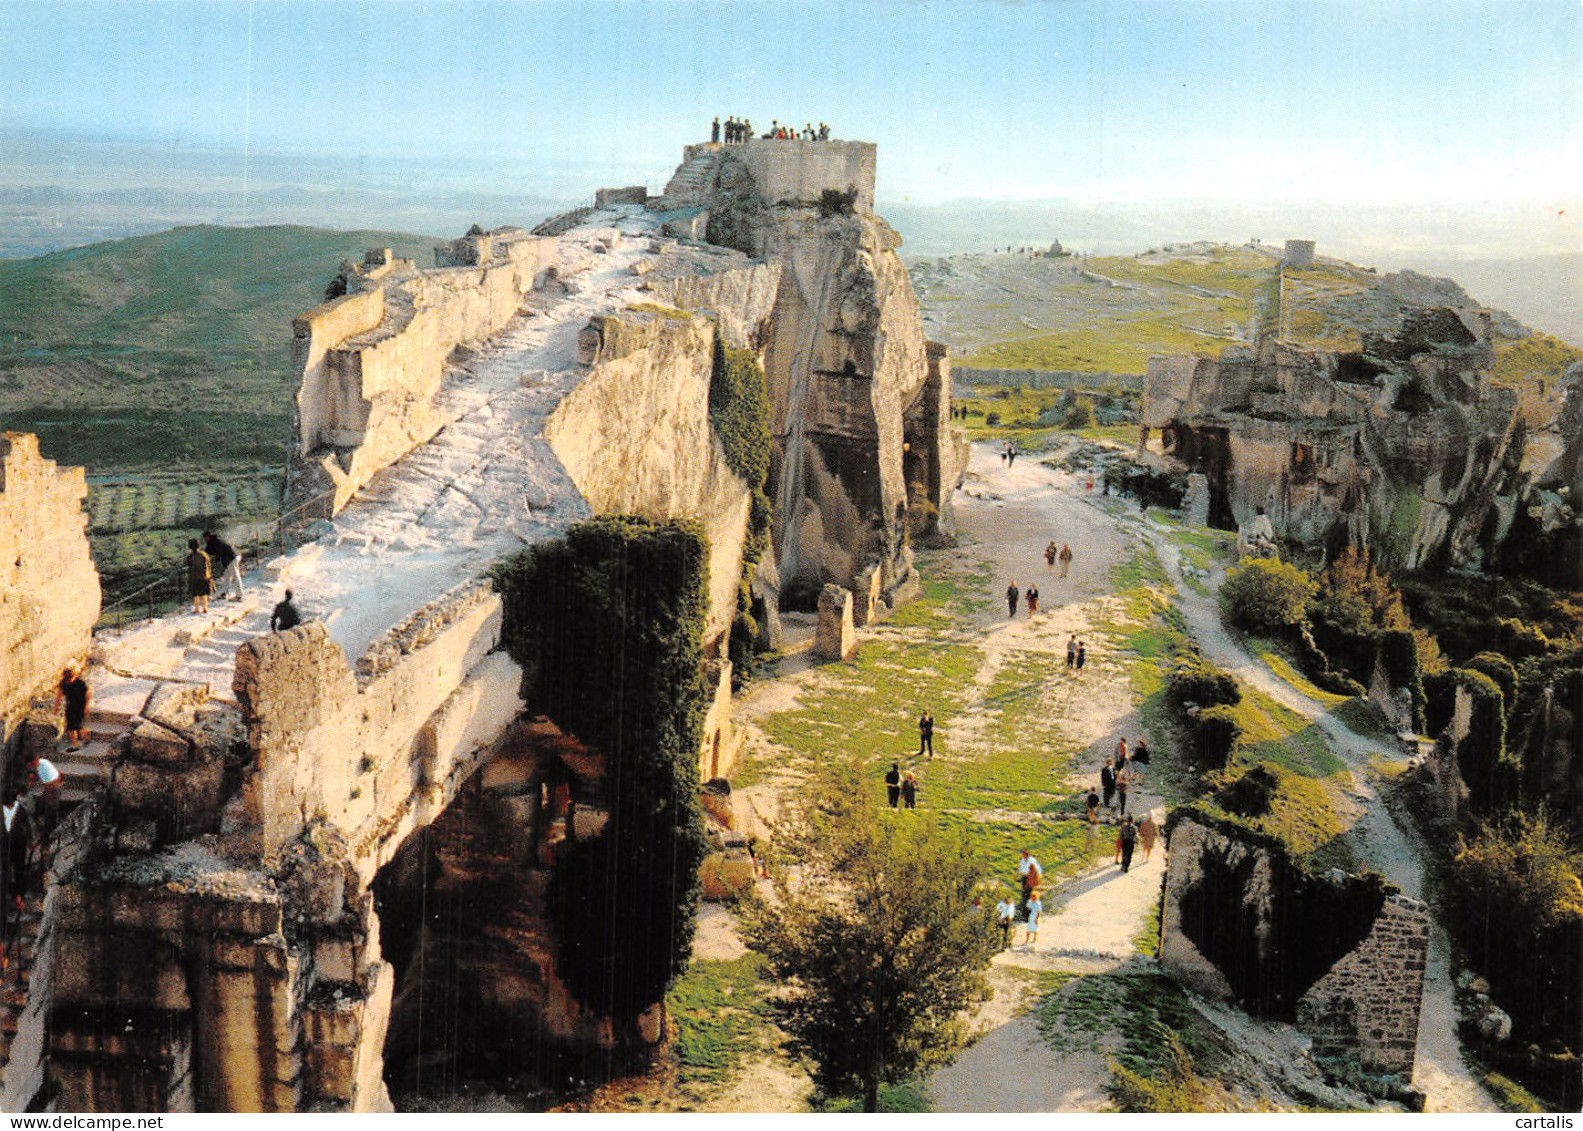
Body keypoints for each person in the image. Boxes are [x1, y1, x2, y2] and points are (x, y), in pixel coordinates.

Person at [54, 664, 90, 750]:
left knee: (79, 725)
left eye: (71, 678)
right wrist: (56, 708)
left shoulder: (80, 683)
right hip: (70, 706)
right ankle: (75, 744)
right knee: (71, 726)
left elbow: (88, 694)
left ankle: (85, 738)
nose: (69, 680)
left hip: (80, 706)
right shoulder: (63, 684)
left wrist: (86, 706)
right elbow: (59, 696)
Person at [204, 530, 244, 601]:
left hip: (232, 558)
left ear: (208, 536)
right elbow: (207, 551)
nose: (205, 540)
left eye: (205, 538)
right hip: (230, 559)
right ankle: (224, 594)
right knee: (227, 576)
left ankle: (239, 596)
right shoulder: (212, 541)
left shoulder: (217, 541)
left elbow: (218, 553)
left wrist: (217, 561)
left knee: (235, 576)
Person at [185, 538, 212, 614]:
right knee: (204, 593)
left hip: (194, 577)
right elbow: (208, 564)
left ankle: (197, 608)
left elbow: (187, 565)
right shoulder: (204, 554)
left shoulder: (190, 557)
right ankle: (205, 608)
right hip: (204, 576)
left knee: (195, 594)